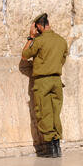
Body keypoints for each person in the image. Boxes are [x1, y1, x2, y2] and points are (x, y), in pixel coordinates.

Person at [22, 13, 68, 158]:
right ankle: (57, 147)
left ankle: (50, 149)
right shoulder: (61, 41)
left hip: (43, 81)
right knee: (55, 113)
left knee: (43, 112)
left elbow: (25, 55)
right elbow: (63, 59)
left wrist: (31, 37)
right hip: (56, 80)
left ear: (39, 26)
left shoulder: (39, 41)